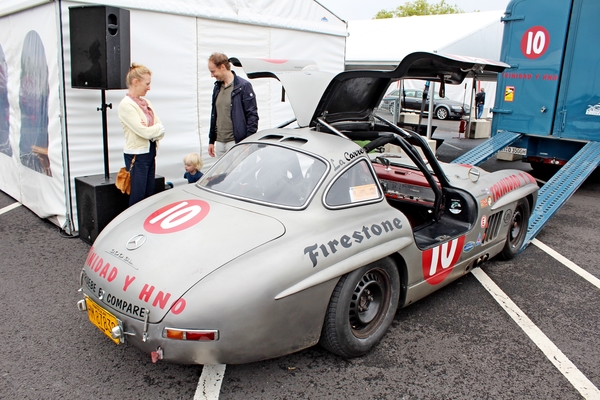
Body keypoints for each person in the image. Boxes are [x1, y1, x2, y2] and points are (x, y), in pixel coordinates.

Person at [118, 63, 165, 206]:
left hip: (150, 151)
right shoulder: (126, 105)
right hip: (137, 155)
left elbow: (161, 128)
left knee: (149, 193)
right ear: (135, 82)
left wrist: (155, 130)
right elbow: (144, 131)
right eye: (147, 84)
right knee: (138, 195)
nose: (149, 88)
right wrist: (155, 129)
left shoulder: (146, 103)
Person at [207, 52, 258, 158]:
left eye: (213, 71)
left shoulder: (243, 86)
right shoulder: (217, 88)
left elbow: (252, 116)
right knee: (223, 174)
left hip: (236, 142)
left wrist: (248, 142)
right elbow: (214, 114)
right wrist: (211, 140)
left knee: (237, 173)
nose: (212, 75)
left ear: (222, 67)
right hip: (220, 143)